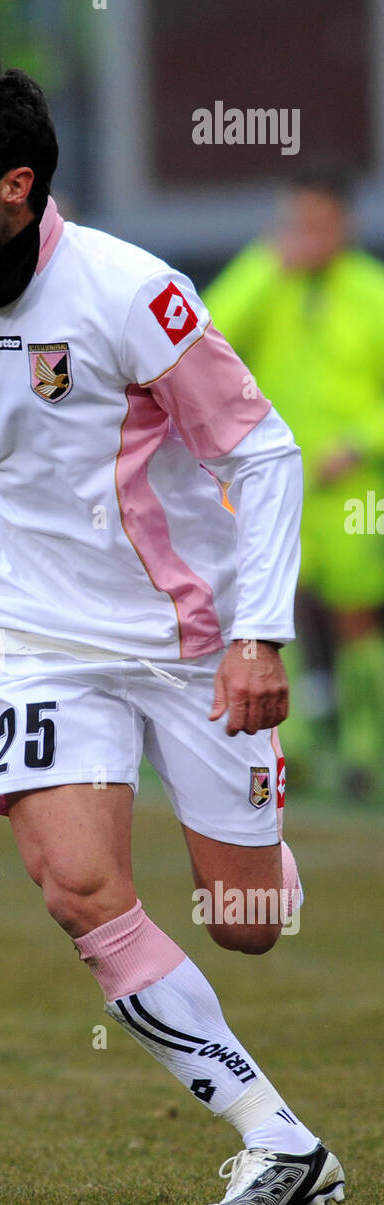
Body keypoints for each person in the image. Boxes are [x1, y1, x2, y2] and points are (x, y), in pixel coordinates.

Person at [0, 64, 345, 1205]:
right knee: (78, 888)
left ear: (19, 184)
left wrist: (255, 635)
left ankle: (258, 853)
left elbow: (264, 452)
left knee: (246, 924)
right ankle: (274, 1137)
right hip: (44, 645)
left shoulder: (130, 293)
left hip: (191, 642)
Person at [204, 168, 384, 798]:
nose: (306, 236)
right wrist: (265, 261)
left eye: (318, 223)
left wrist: (362, 442)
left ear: (346, 224)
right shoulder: (267, 278)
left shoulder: (372, 292)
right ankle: (297, 745)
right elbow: (207, 332)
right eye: (296, 222)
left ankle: (366, 750)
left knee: (359, 618)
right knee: (280, 612)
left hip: (355, 490)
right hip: (275, 484)